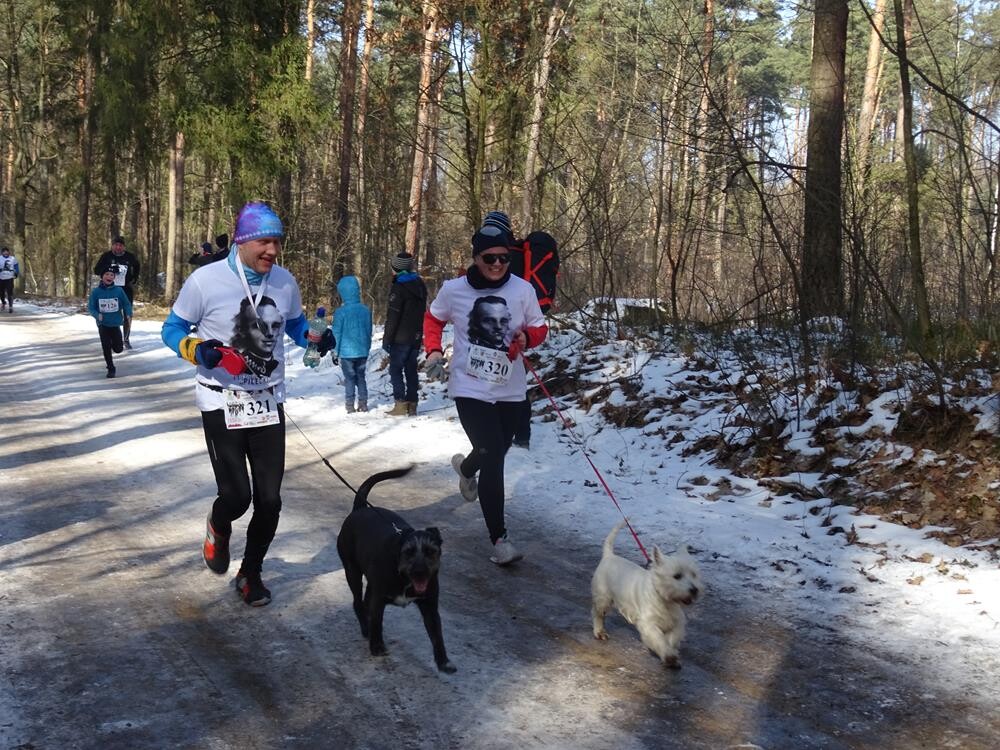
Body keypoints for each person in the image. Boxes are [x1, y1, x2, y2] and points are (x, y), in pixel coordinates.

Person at [160, 201, 333, 606]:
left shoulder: (285, 282)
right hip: (221, 402)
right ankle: (219, 526)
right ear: (242, 241)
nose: (272, 251)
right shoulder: (205, 281)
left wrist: (314, 337)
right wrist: (196, 349)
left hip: (267, 402)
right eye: (264, 242)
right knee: (237, 497)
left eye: (277, 242)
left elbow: (294, 324)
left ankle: (250, 573)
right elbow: (172, 328)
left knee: (270, 499)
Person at [423, 224, 548, 565]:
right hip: (469, 386)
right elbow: (432, 321)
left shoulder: (522, 290)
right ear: (475, 258)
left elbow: (540, 326)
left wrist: (527, 339)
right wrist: (433, 351)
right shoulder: (454, 290)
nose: (497, 265)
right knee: (493, 454)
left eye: (504, 258)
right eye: (489, 258)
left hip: (510, 388)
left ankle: (466, 469)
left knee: (494, 450)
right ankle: (499, 540)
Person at [382, 251, 427, 416]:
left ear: (396, 268)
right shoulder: (420, 284)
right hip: (415, 335)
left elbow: (393, 316)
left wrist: (387, 339)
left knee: (395, 370)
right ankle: (413, 404)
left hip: (400, 338)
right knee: (411, 369)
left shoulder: (399, 287)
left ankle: (400, 404)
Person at [331, 275, 373, 414]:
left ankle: (350, 405)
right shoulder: (365, 310)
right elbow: (368, 330)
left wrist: (335, 351)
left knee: (349, 379)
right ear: (357, 291)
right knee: (361, 377)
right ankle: (363, 403)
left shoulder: (340, 312)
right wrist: (367, 346)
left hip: (346, 353)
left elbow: (336, 333)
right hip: (362, 351)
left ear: (342, 293)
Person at [93, 236, 141, 348]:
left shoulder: (130, 257)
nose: (118, 247)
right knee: (109, 313)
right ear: (112, 245)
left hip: (125, 289)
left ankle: (126, 339)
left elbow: (137, 265)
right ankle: (110, 337)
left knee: (128, 314)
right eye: (116, 245)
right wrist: (109, 269)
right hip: (109, 289)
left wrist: (135, 277)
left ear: (123, 246)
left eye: (121, 245)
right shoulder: (106, 256)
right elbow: (96, 270)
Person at [87, 265, 132, 378]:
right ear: (102, 277)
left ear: (114, 278)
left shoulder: (119, 290)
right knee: (106, 346)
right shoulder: (96, 292)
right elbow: (91, 307)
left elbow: (126, 304)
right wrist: (97, 315)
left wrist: (128, 313)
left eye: (112, 275)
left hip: (115, 323)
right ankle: (111, 368)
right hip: (103, 324)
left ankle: (114, 344)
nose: (109, 277)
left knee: (118, 349)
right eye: (107, 274)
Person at [0, 246, 18, 313]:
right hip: (1, 278)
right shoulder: (0, 258)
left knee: (10, 292)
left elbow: (16, 266)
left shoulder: (13, 258)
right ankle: (3, 302)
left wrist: (16, 272)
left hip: (9, 278)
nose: (6, 253)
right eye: (4, 252)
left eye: (7, 252)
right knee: (1, 293)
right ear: (2, 253)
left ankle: (11, 306)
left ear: (8, 252)